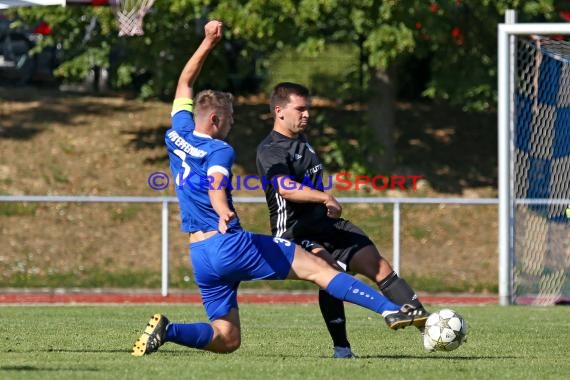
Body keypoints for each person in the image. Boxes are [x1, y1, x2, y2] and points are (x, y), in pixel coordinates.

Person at [131, 21, 427, 357]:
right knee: (320, 269)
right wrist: (223, 209)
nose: (233, 124)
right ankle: (389, 310)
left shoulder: (176, 133)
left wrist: (208, 42)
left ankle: (168, 331)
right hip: (229, 242)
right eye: (230, 118)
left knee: (227, 339)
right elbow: (215, 182)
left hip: (200, 256)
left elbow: (185, 81)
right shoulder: (220, 150)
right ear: (215, 119)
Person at [256, 82, 429, 359]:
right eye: (300, 109)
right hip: (296, 231)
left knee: (379, 265)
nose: (306, 114)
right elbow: (286, 188)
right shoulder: (271, 150)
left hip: (327, 224)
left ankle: (430, 328)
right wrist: (324, 198)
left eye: (308, 109)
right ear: (279, 111)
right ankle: (343, 348)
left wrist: (325, 198)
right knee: (330, 272)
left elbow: (307, 181)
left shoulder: (302, 140)